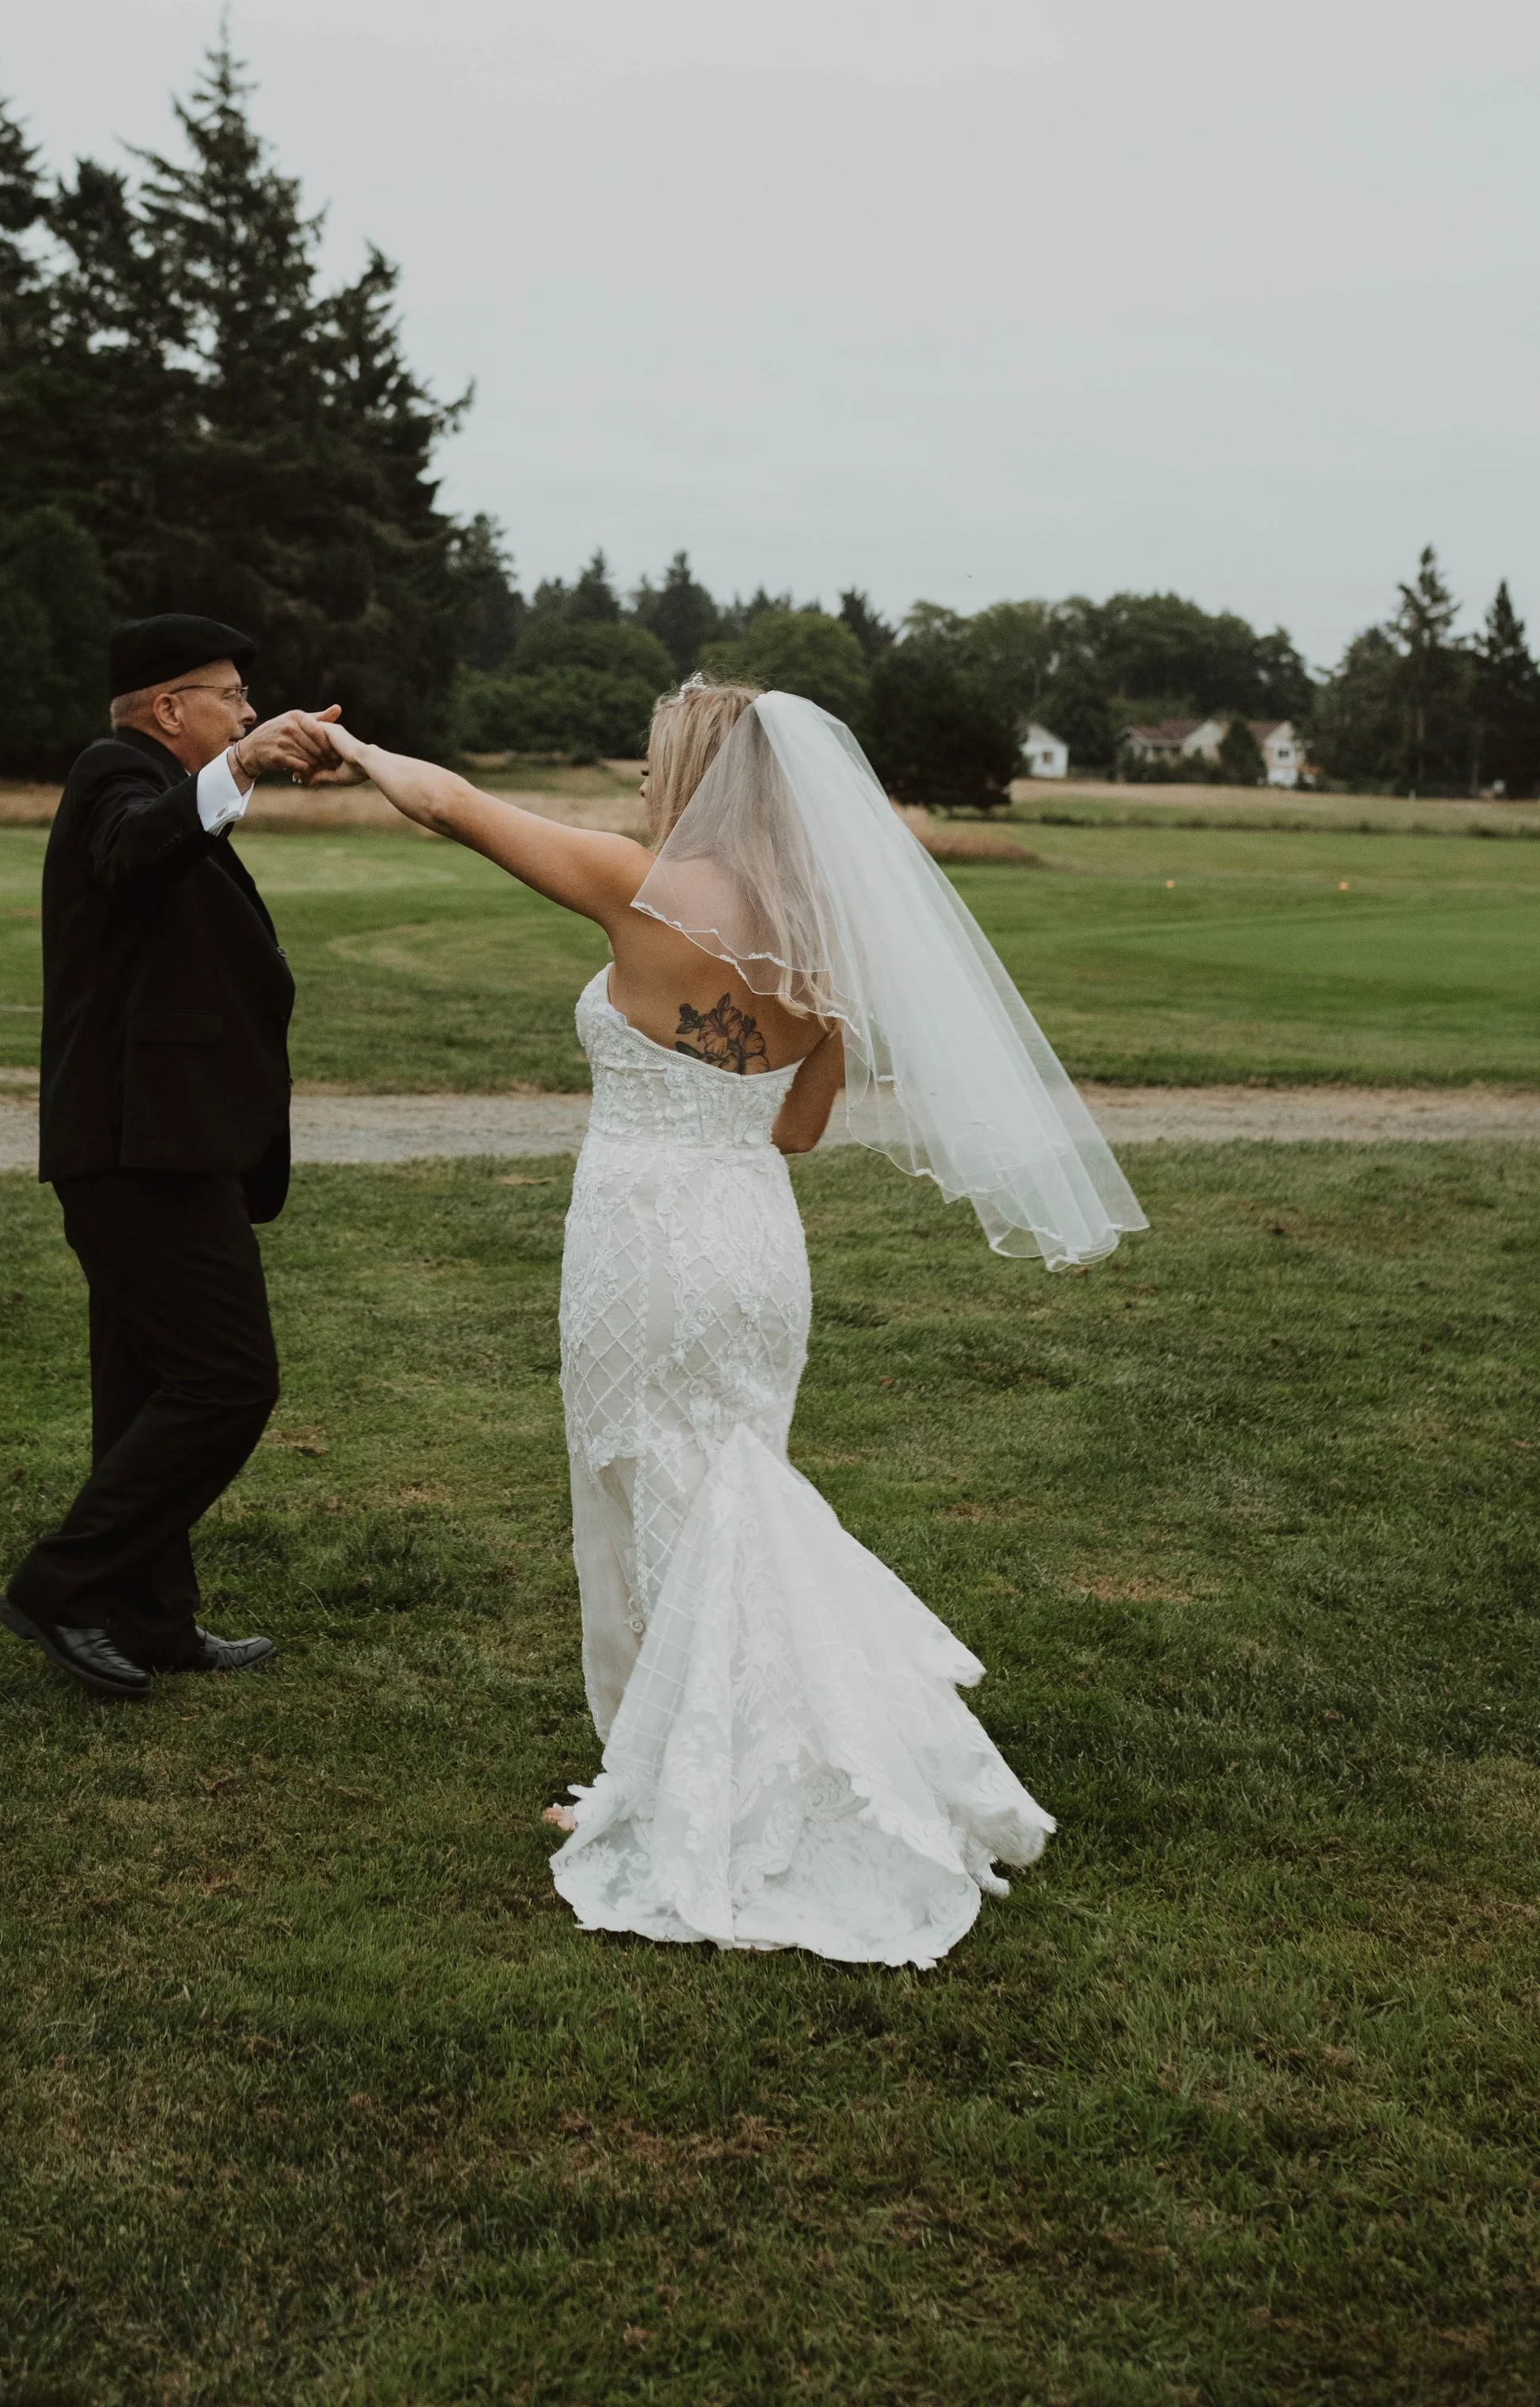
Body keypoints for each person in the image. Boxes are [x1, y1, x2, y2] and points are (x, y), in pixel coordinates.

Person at [332, 677, 1147, 1966]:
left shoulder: (638, 882)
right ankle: (715, 1752)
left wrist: (351, 742)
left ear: (694, 773)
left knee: (640, 1494)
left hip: (645, 1236)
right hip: (755, 1241)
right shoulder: (827, 943)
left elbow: (452, 806)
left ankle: (665, 1779)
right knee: (732, 1490)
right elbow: (800, 1126)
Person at [0, 614, 345, 1704]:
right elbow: (132, 849)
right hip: (132, 1149)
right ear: (167, 707)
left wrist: (241, 769)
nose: (247, 711)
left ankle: (149, 1618)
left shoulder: (166, 796)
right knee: (230, 1377)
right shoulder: (115, 776)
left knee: (143, 1383)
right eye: (232, 697)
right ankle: (60, 1584)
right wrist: (240, 765)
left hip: (169, 1145)